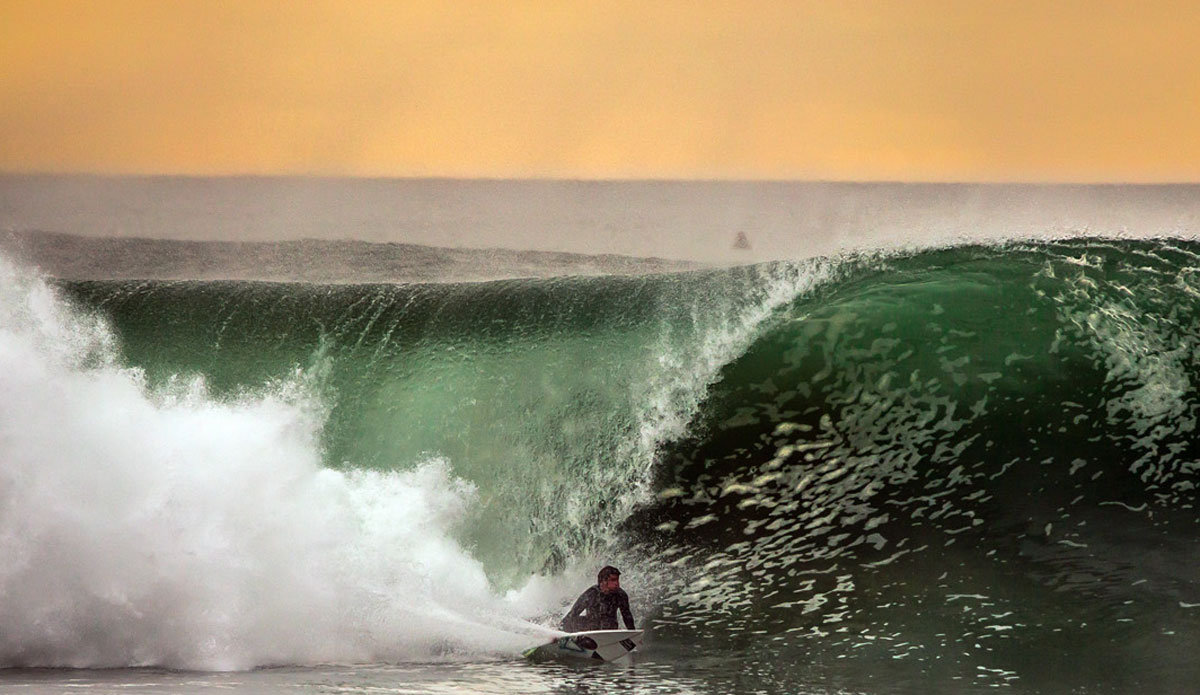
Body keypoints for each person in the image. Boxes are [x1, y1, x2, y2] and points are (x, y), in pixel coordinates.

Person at [560, 565, 635, 632]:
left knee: (609, 621)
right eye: (613, 580)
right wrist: (560, 631)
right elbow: (573, 613)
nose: (617, 583)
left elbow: (627, 616)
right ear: (603, 581)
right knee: (576, 620)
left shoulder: (621, 595)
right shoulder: (591, 594)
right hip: (591, 630)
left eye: (617, 580)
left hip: (609, 630)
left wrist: (634, 635)